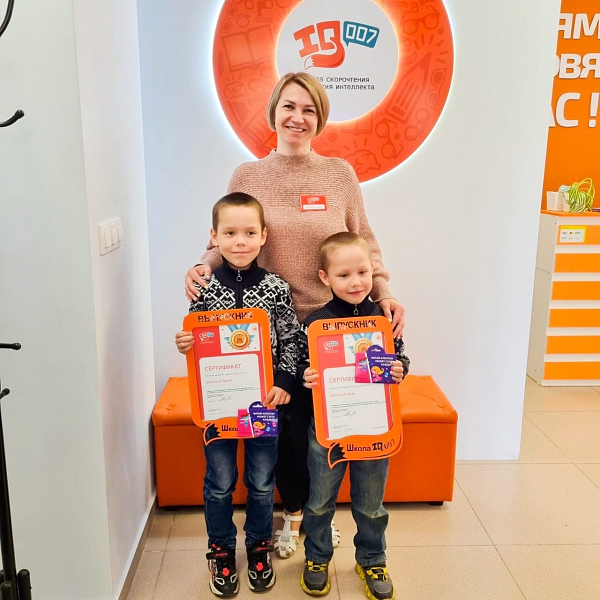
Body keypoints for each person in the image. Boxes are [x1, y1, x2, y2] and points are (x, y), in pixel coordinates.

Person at [184, 72, 405, 558]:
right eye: (289, 106)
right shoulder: (248, 175)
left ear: (320, 118)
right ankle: (292, 517)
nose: (297, 118)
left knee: (328, 430)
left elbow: (365, 242)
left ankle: (320, 521)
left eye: (309, 109)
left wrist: (384, 292)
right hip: (271, 330)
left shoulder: (339, 175)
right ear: (274, 111)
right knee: (282, 435)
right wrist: (202, 265)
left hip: (334, 326)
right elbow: (227, 236)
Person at [175, 192, 300, 597]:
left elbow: (292, 340)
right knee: (220, 482)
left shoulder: (277, 288)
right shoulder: (204, 288)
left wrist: (284, 381)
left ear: (263, 236)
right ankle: (221, 550)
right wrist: (185, 342)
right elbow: (196, 335)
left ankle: (259, 546)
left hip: (263, 405)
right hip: (217, 407)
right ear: (214, 237)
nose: (240, 241)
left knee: (261, 482)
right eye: (229, 233)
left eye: (249, 233)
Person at [299, 232, 409, 600]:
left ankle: (372, 559)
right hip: (328, 429)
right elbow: (300, 365)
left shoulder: (383, 318)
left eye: (362, 272)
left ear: (372, 270)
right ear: (325, 277)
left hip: (374, 425)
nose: (356, 282)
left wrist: (400, 368)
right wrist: (305, 376)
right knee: (319, 502)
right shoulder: (315, 322)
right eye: (343, 275)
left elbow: (400, 357)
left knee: (371, 504)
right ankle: (317, 558)